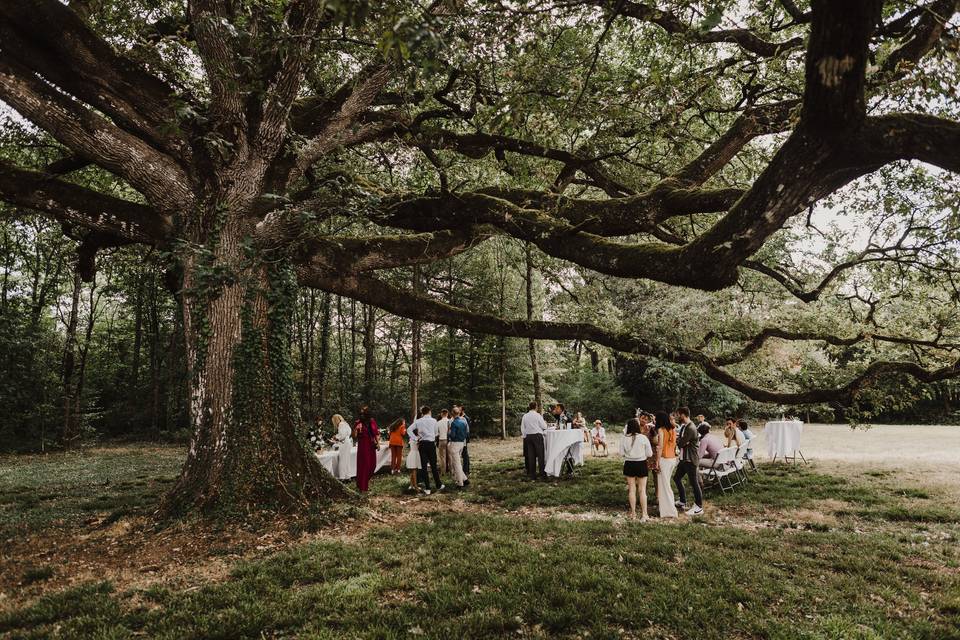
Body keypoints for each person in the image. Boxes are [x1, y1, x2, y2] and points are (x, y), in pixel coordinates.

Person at [621, 418, 653, 521]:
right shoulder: (643, 438)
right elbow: (650, 454)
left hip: (629, 464)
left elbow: (621, 453)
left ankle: (633, 514)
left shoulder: (624, 438)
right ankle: (644, 514)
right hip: (641, 464)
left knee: (631, 489)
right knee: (642, 490)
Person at [673, 407, 704, 515]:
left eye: (678, 415)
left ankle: (699, 507)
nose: (677, 417)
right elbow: (680, 441)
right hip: (683, 459)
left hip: (690, 459)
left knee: (694, 483)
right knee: (676, 478)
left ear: (683, 415)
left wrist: (681, 442)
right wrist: (681, 441)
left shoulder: (691, 428)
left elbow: (680, 443)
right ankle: (682, 501)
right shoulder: (684, 427)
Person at [411, 406, 444, 494]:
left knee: (424, 467)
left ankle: (428, 488)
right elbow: (437, 433)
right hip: (431, 444)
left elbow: (409, 430)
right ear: (429, 411)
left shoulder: (418, 421)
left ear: (422, 412)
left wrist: (416, 438)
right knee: (433, 465)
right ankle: (438, 485)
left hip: (422, 444)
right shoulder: (434, 421)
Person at [654, 411, 678, 518]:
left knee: (665, 486)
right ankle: (665, 510)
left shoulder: (661, 430)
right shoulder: (673, 428)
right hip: (673, 458)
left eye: (656, 418)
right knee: (666, 484)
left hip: (664, 459)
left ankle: (670, 511)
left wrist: (657, 461)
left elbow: (660, 447)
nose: (654, 420)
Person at [353, 406, 380, 492]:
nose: (362, 415)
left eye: (364, 413)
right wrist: (356, 429)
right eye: (361, 413)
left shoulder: (372, 421)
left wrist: (378, 443)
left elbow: (375, 433)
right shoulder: (357, 423)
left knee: (372, 465)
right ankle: (363, 487)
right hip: (363, 446)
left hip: (371, 445)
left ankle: (363, 483)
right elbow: (354, 436)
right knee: (364, 465)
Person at [521, 401, 548, 479]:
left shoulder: (525, 416)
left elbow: (523, 428)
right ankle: (542, 473)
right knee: (540, 455)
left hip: (528, 436)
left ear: (529, 407)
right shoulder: (537, 415)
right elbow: (544, 426)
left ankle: (532, 474)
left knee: (531, 456)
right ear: (536, 407)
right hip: (537, 436)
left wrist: (525, 436)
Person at [640, 412, 659, 513]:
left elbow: (656, 442)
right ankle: (644, 495)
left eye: (646, 419)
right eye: (642, 418)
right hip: (642, 455)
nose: (644, 420)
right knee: (644, 476)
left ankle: (657, 496)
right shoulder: (637, 428)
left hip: (652, 453)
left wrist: (653, 431)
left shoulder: (652, 428)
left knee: (656, 474)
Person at [448, 406, 469, 488]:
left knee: (456, 464)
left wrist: (449, 433)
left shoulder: (453, 423)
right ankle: (465, 479)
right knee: (457, 463)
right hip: (461, 443)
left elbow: (452, 435)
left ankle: (460, 483)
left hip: (455, 444)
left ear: (452, 413)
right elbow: (467, 433)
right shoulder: (464, 421)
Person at [331, 413, 352, 481]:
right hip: (348, 441)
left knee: (342, 460)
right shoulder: (345, 423)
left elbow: (341, 435)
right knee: (347, 460)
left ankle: (342, 477)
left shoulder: (341, 424)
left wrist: (335, 437)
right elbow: (348, 432)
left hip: (344, 443)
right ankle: (348, 476)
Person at [406, 416, 422, 492]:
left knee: (413, 471)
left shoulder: (411, 438)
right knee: (414, 471)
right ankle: (415, 486)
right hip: (415, 454)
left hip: (412, 454)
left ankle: (411, 484)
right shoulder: (416, 439)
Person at [436, 409, 451, 475]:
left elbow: (436, 433)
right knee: (450, 456)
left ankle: (443, 472)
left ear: (441, 414)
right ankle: (451, 471)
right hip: (449, 440)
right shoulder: (450, 421)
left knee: (442, 457)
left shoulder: (438, 422)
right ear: (447, 414)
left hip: (441, 440)